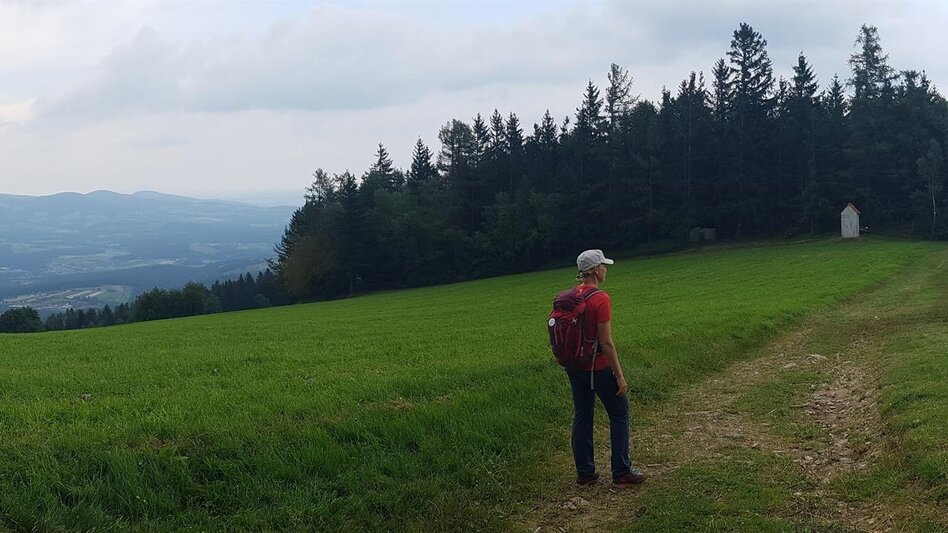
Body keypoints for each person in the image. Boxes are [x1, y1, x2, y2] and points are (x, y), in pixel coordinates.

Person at [567, 249, 646, 487]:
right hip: (598, 367)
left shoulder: (571, 297)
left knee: (582, 415)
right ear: (594, 271)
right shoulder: (600, 298)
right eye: (603, 265)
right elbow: (607, 342)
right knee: (619, 415)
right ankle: (621, 472)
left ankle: (585, 473)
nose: (606, 269)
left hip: (575, 366)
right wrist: (620, 376)